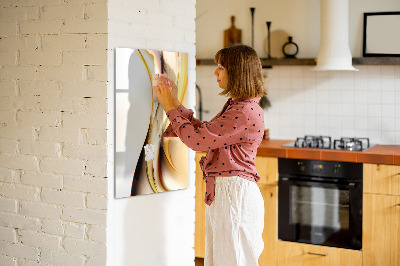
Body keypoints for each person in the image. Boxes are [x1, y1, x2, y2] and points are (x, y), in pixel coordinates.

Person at [153, 44, 266, 266]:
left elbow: (197, 141)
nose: (215, 72)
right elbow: (205, 133)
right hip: (228, 193)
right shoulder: (239, 106)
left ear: (237, 71)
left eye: (221, 67)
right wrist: (175, 103)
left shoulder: (243, 111)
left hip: (234, 195)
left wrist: (169, 108)